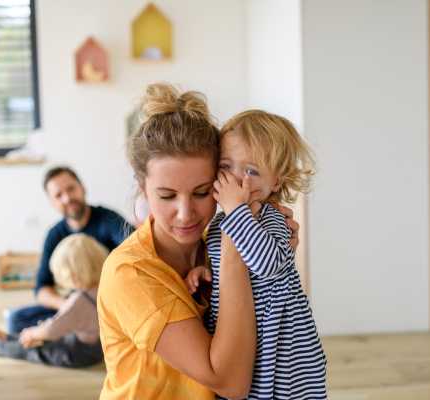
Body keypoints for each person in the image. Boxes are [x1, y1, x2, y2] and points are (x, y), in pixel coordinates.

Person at [97, 83, 301, 399]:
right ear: (143, 187)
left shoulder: (216, 244)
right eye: (167, 196)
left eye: (203, 192)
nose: (185, 214)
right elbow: (232, 384)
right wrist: (238, 241)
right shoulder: (129, 273)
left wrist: (269, 240)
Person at [185, 110, 327, 399]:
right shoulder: (220, 222)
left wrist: (237, 212)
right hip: (239, 329)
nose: (237, 179)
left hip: (278, 342)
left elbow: (267, 264)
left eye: (251, 171)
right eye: (225, 166)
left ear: (277, 182)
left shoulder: (272, 218)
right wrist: (205, 270)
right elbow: (228, 264)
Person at [4, 167, 133, 334]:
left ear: (82, 188)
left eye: (71, 189)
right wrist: (70, 308)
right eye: (58, 195)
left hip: (111, 303)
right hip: (75, 303)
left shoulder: (108, 219)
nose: (67, 198)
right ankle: (78, 329)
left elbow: (134, 248)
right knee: (15, 319)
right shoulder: (54, 235)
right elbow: (42, 288)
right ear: (52, 202)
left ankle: (73, 331)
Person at [0, 233, 107, 368]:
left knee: (35, 350)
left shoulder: (79, 299)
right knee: (42, 338)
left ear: (73, 274)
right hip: (97, 348)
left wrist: (34, 333)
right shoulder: (104, 288)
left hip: (80, 353)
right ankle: (8, 338)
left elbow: (52, 329)